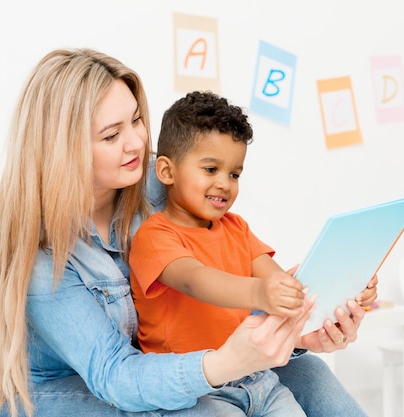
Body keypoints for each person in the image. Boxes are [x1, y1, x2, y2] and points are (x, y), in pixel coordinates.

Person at [0, 48, 377, 417]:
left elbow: (225, 283)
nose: (137, 142)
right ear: (64, 151)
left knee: (312, 376)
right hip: (68, 389)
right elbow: (117, 376)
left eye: (136, 120)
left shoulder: (158, 179)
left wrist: (304, 330)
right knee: (214, 411)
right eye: (112, 135)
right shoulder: (42, 261)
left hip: (172, 360)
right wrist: (225, 364)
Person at [130, 91, 309, 417]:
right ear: (167, 172)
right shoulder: (154, 237)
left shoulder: (236, 227)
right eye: (211, 169)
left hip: (258, 381)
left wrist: (337, 289)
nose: (225, 184)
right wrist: (259, 292)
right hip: (198, 391)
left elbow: (275, 277)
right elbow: (197, 280)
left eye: (234, 174)